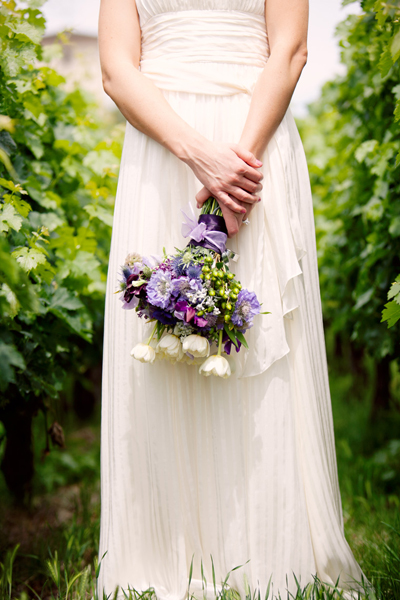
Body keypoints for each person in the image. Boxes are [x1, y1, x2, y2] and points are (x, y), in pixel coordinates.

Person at [96, 1, 370, 599]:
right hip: (163, 146)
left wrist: (234, 165)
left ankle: (268, 555)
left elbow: (290, 50)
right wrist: (201, 154)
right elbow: (117, 69)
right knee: (162, 338)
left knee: (257, 345)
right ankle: (167, 555)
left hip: (255, 145)